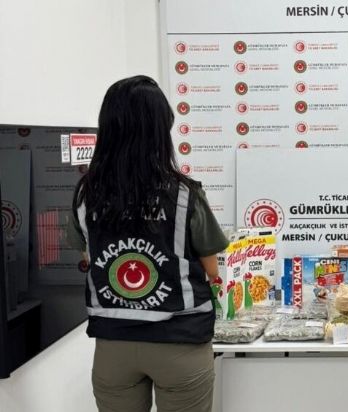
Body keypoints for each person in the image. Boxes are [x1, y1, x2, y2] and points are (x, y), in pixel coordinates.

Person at [68, 75, 229, 412]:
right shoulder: (184, 193)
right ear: (160, 130)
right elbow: (212, 269)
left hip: (113, 343)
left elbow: (88, 254)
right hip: (180, 341)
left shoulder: (86, 194)